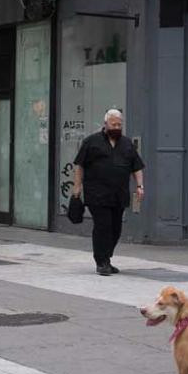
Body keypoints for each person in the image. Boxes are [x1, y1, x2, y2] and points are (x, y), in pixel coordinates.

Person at [74, 109, 145, 276]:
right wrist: (77, 188)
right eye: (114, 124)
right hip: (97, 194)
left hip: (119, 195)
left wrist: (140, 186)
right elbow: (79, 165)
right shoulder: (91, 142)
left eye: (119, 125)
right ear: (105, 124)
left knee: (116, 228)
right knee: (103, 226)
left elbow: (137, 167)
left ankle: (107, 257)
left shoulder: (127, 144)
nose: (117, 127)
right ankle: (101, 261)